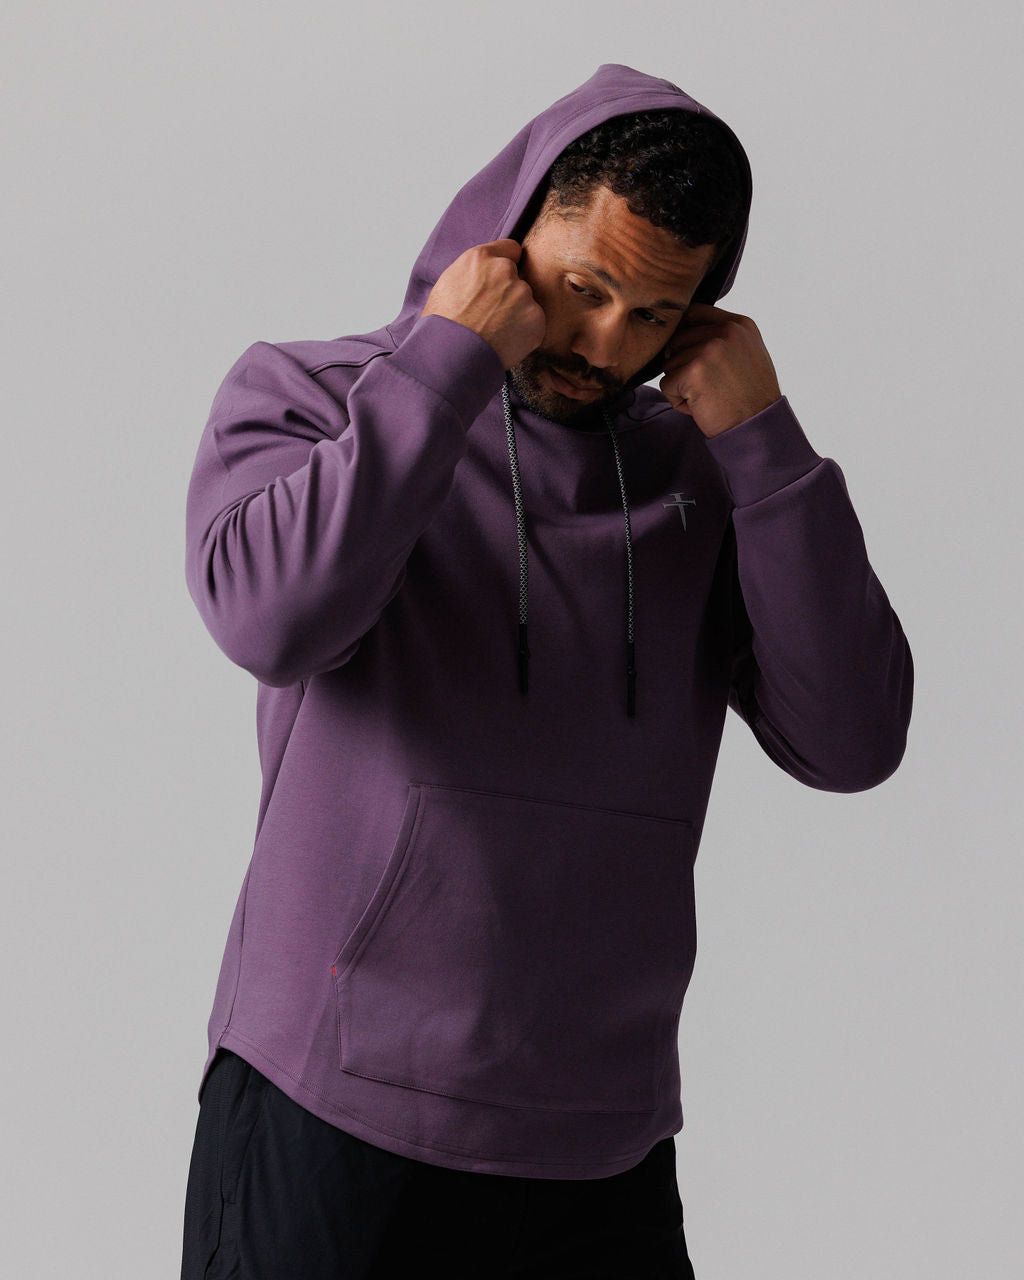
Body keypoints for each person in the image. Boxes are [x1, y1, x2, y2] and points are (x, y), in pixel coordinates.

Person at [179, 62, 914, 1278]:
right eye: (585, 289)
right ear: (508, 235)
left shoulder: (706, 475)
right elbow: (270, 620)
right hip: (328, 1110)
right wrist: (441, 364)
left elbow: (852, 739)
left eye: (656, 313)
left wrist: (765, 445)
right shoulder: (317, 397)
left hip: (599, 1139)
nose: (607, 343)